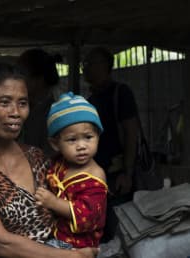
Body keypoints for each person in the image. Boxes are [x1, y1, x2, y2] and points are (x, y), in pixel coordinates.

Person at [0, 63, 99, 258]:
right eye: (4, 102)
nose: (16, 112)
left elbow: (75, 209)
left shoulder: (38, 157)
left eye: (22, 103)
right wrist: (74, 256)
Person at [35, 92, 108, 249]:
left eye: (88, 137)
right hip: (56, 233)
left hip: (78, 245)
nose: (81, 146)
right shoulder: (60, 162)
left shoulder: (94, 176)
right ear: (56, 144)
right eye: (72, 140)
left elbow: (88, 216)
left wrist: (53, 202)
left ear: (98, 137)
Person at [82, 46, 140, 242]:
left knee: (122, 232)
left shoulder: (120, 93)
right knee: (103, 234)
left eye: (90, 63)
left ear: (105, 66)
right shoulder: (91, 99)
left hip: (118, 176)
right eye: (85, 64)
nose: (85, 68)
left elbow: (132, 133)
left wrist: (128, 173)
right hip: (99, 176)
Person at [17, 48, 60, 157]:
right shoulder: (24, 108)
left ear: (38, 79)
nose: (16, 80)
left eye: (22, 74)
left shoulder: (53, 115)